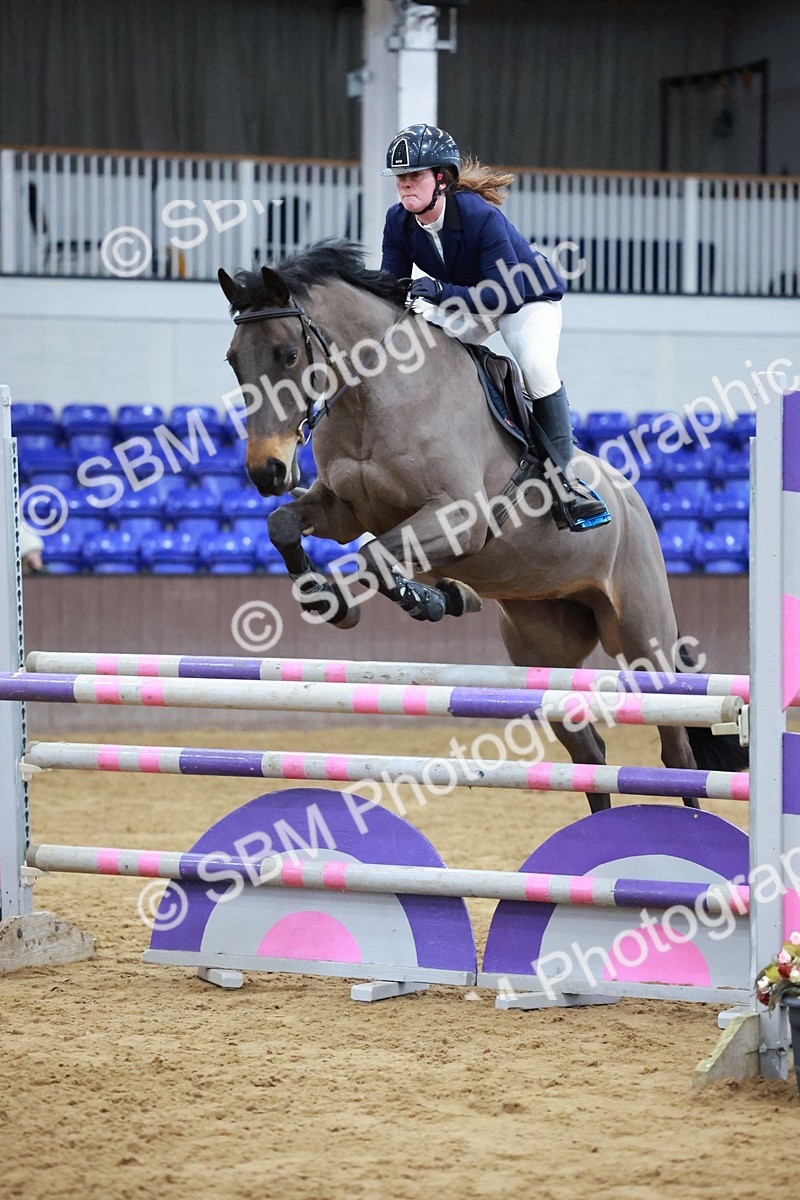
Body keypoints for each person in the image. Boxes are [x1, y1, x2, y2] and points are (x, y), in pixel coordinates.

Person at [380, 123, 610, 533]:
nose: (403, 186)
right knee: (424, 347)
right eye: (400, 178)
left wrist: (438, 291)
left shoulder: (480, 216)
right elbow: (389, 288)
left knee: (536, 367)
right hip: (470, 300)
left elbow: (503, 297)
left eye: (413, 176)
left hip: (526, 299)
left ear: (440, 179)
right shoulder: (398, 222)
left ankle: (566, 483)